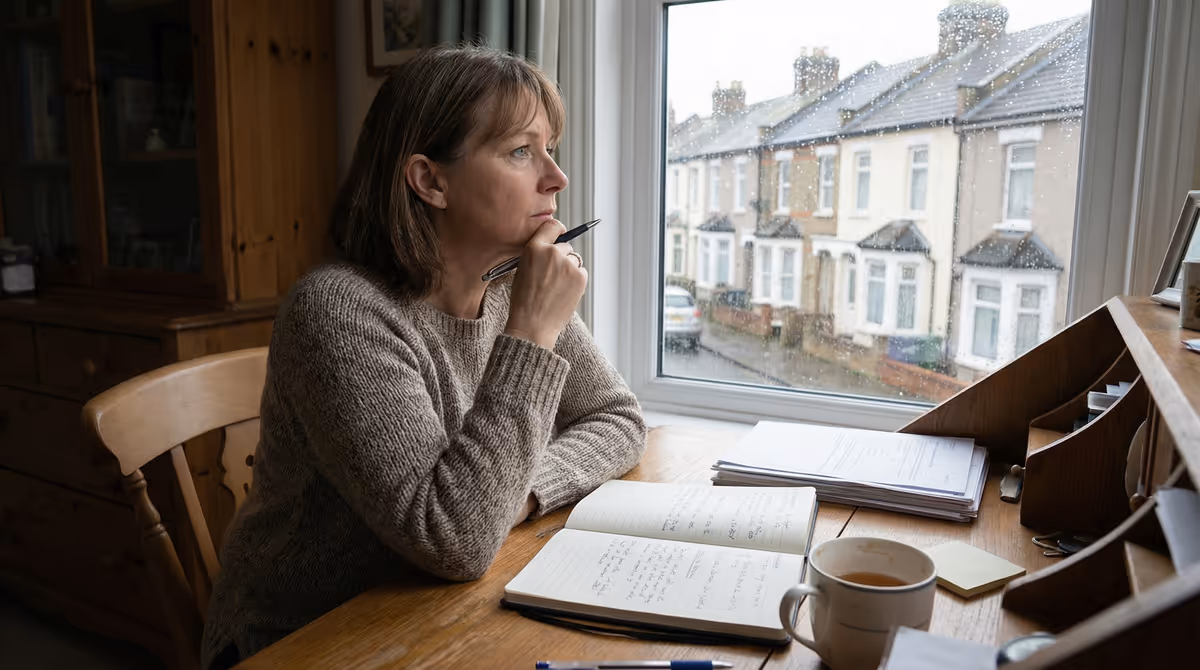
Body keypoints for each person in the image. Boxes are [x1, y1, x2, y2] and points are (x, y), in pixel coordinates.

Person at [200, 45, 647, 669]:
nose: (556, 177)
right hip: (304, 638)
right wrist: (531, 334)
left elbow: (619, 420)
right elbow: (457, 539)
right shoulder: (339, 312)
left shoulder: (507, 287)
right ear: (430, 180)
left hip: (431, 612)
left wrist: (511, 493)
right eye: (522, 150)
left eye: (551, 148)